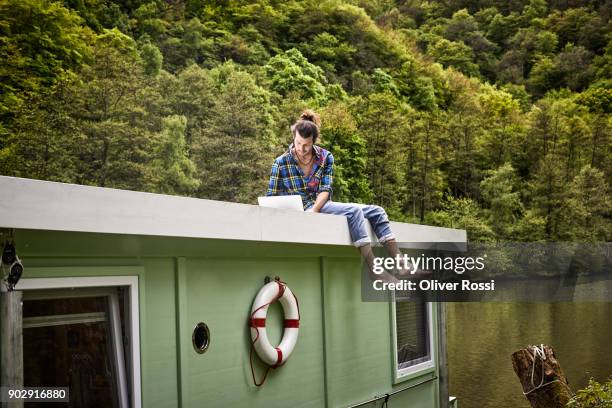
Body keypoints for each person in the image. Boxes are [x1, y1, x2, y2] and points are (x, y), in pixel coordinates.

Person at [266, 109, 409, 282]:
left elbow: (325, 189)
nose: (301, 149)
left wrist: (315, 210)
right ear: (294, 137)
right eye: (297, 143)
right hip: (298, 209)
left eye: (306, 145)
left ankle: (402, 265)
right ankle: (374, 269)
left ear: (314, 142)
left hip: (321, 204)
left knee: (377, 211)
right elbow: (271, 198)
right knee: (355, 213)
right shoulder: (280, 162)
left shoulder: (326, 157)